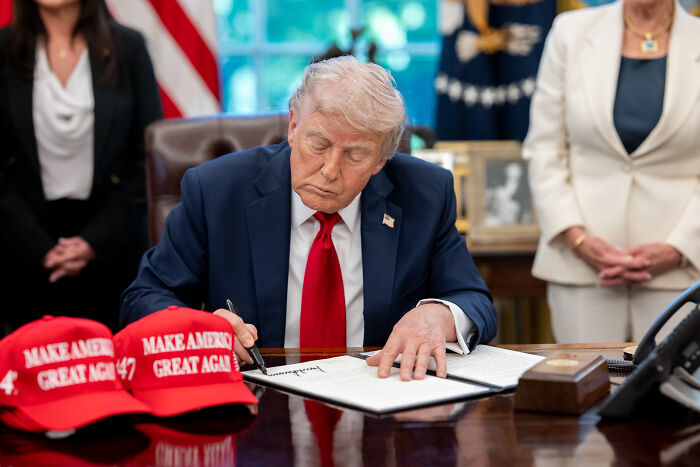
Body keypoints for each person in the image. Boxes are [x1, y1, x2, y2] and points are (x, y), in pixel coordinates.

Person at [120, 56, 497, 381]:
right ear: (292, 126)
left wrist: (439, 316)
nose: (330, 170)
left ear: (381, 161)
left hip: (380, 401)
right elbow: (144, 298)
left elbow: (474, 301)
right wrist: (201, 328)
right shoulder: (217, 191)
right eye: (318, 144)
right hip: (259, 405)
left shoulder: (424, 195)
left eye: (355, 155)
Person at [523, 0, 700, 343]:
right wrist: (577, 238)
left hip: (683, 271)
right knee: (586, 392)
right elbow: (544, 148)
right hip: (582, 266)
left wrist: (679, 247)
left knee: (676, 395)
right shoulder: (570, 33)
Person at [0, 0, 162, 333]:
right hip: (25, 246)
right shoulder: (3, 49)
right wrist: (41, 248)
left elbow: (145, 157)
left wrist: (93, 243)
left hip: (111, 245)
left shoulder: (128, 46)